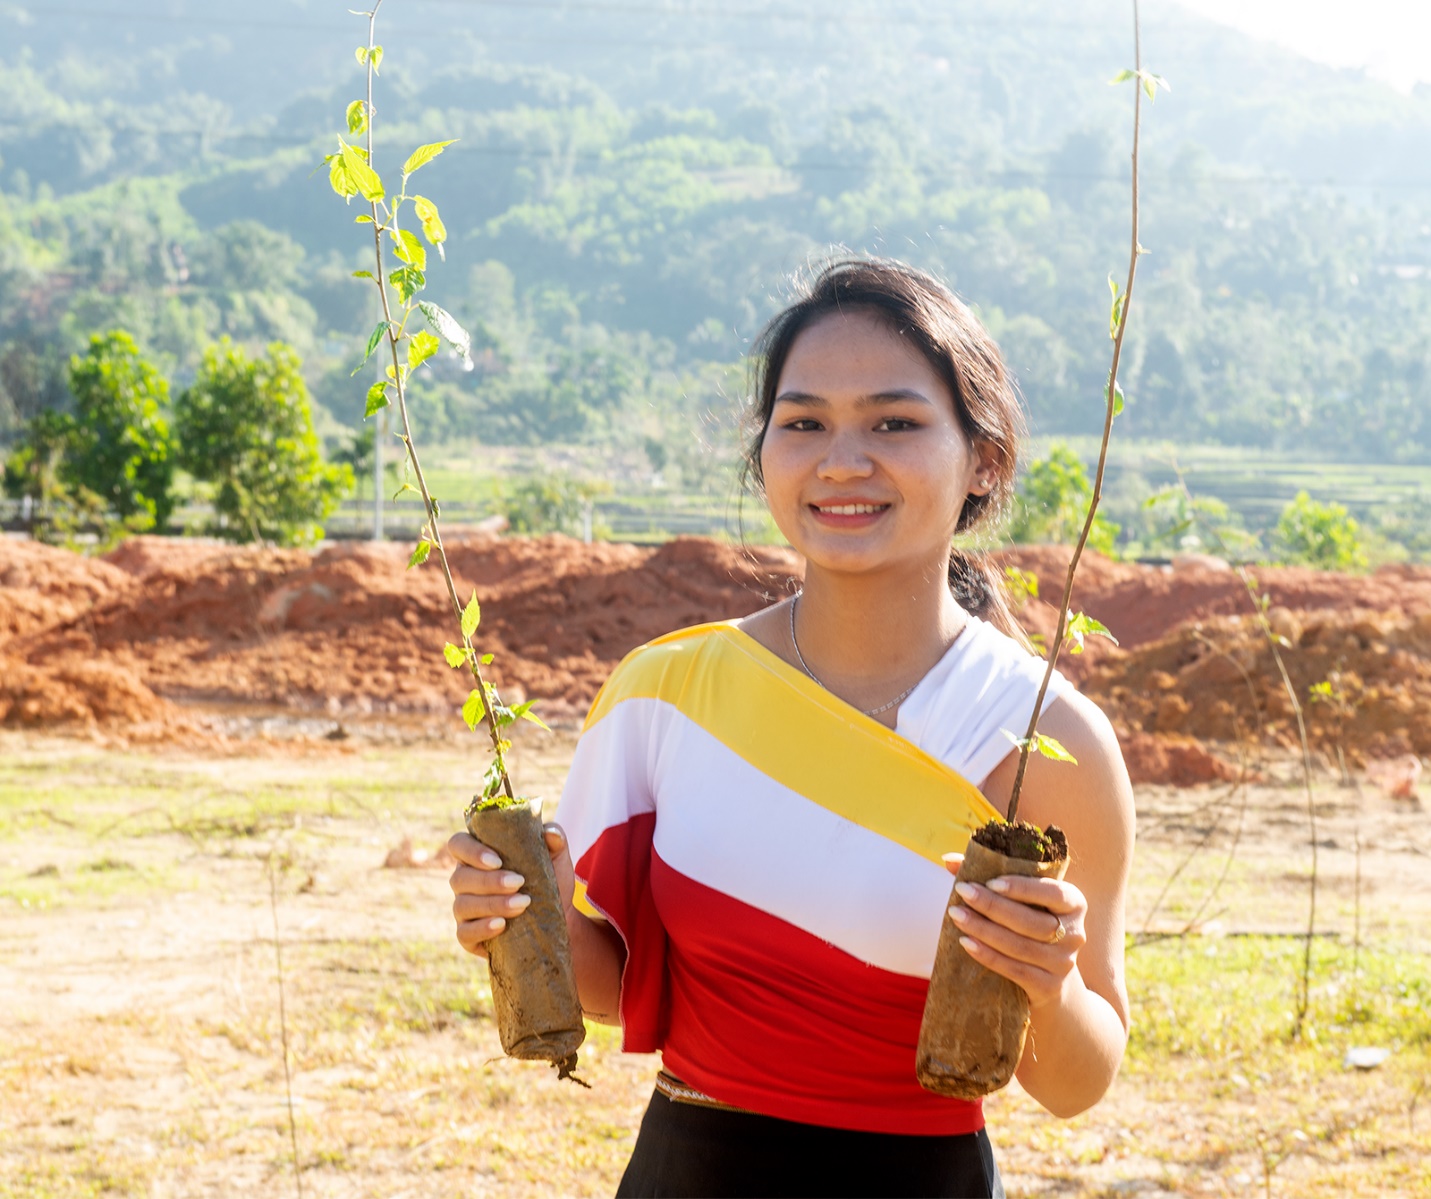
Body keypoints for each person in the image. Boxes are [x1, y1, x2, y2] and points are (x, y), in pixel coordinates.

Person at [448, 258, 1135, 1198]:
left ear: (984, 458)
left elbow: (1077, 1082)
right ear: (763, 449)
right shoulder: (666, 694)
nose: (841, 460)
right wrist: (519, 916)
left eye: (893, 421)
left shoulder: (1043, 738)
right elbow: (614, 987)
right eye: (804, 421)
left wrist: (1046, 986)